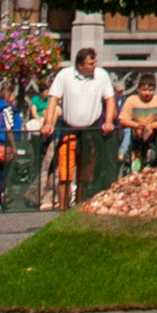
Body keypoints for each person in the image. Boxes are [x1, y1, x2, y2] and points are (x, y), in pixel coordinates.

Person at [42, 49, 116, 211]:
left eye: (95, 62)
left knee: (86, 175)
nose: (94, 66)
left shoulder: (101, 75)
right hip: (70, 129)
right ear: (80, 65)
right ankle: (63, 212)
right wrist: (48, 123)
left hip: (91, 130)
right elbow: (53, 99)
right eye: (91, 63)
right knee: (65, 174)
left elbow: (110, 99)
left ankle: (79, 210)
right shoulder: (65, 75)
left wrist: (109, 121)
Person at [119, 74, 157, 170]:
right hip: (135, 140)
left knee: (155, 165)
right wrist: (137, 125)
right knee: (135, 167)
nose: (147, 93)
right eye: (144, 90)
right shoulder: (131, 100)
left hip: (155, 140)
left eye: (150, 90)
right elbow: (122, 119)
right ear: (138, 89)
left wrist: (152, 126)